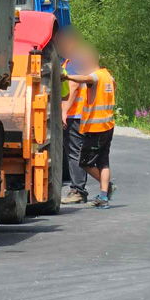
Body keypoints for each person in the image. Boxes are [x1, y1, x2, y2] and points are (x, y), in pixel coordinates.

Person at [64, 49, 116, 209]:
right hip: (108, 125)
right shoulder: (109, 76)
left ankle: (104, 188)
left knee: (84, 162)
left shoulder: (95, 76)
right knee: (103, 162)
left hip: (95, 127)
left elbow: (83, 80)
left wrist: (66, 76)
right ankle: (103, 195)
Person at [58, 33, 89, 204]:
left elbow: (74, 86)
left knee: (74, 153)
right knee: (78, 152)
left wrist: (64, 111)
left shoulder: (74, 63)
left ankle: (78, 190)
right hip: (78, 114)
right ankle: (104, 185)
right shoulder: (75, 61)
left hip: (75, 114)